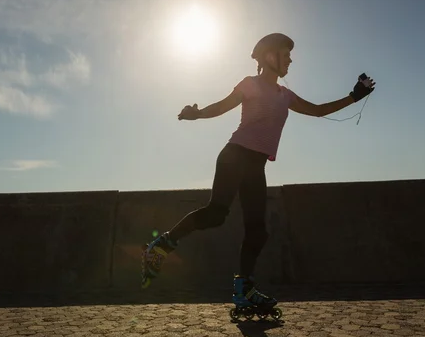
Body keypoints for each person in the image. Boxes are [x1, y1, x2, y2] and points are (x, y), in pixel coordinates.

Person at [141, 33, 375, 309]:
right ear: (268, 56)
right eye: (285, 54)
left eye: (290, 55)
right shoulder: (250, 84)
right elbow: (224, 105)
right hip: (235, 156)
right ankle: (161, 246)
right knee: (217, 213)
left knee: (257, 231)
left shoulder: (284, 95)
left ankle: (244, 290)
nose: (290, 60)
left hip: (256, 166)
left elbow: (319, 110)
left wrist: (353, 97)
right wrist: (198, 113)